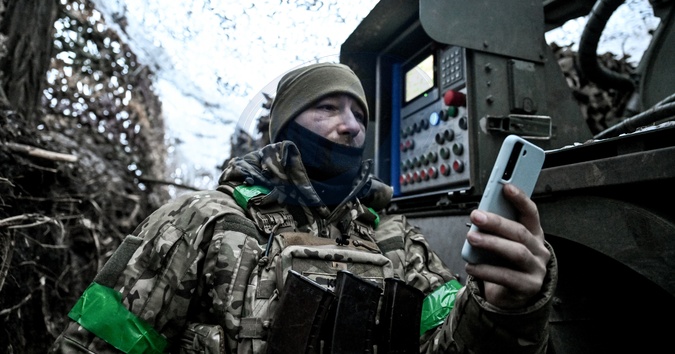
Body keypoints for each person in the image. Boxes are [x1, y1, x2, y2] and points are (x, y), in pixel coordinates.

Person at [51, 62, 557, 353]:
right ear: (286, 127)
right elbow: (95, 344)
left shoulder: (396, 239)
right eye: (328, 108)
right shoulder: (202, 220)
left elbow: (446, 347)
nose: (350, 126)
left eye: (358, 114)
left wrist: (504, 307)